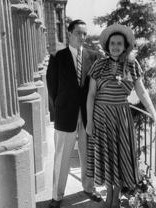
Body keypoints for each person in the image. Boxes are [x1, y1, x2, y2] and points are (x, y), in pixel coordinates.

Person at [86, 24, 156, 208]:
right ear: (107, 46)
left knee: (120, 157)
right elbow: (91, 95)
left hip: (122, 119)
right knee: (108, 157)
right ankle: (109, 195)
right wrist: (89, 122)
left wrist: (153, 113)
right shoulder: (99, 65)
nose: (115, 46)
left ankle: (115, 199)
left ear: (125, 46)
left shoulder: (132, 64)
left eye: (119, 43)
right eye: (112, 43)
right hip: (101, 118)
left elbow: (142, 92)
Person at [46, 19, 103, 208]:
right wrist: (61, 106)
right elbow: (52, 88)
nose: (82, 37)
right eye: (78, 33)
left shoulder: (93, 56)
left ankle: (89, 188)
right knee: (62, 155)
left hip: (88, 115)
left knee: (89, 154)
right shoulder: (57, 56)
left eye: (85, 34)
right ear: (69, 34)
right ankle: (57, 196)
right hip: (65, 113)